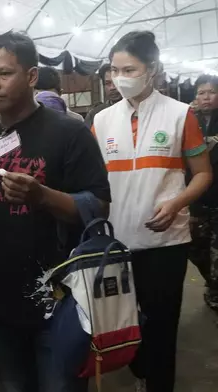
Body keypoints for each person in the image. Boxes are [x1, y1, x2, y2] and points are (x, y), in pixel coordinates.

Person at [0, 32, 111, 392]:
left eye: (4, 74)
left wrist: (41, 195)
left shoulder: (69, 133)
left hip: (60, 301)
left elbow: (98, 205)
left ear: (30, 76)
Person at [91, 31, 212, 392]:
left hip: (166, 241)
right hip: (115, 241)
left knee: (162, 324)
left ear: (153, 70)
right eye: (114, 70)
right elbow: (95, 182)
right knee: (126, 323)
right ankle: (142, 373)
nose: (119, 77)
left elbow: (203, 173)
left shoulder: (180, 115)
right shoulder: (101, 121)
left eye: (129, 69)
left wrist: (176, 202)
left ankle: (159, 384)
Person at [188, 74, 218, 310]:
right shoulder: (189, 120)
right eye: (201, 93)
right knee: (196, 250)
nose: (206, 97)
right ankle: (212, 284)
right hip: (197, 199)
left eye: (211, 92)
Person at [84, 63, 122, 128]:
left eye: (116, 82)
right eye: (107, 83)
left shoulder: (137, 110)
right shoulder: (95, 114)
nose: (112, 88)